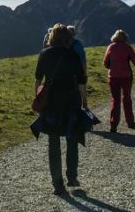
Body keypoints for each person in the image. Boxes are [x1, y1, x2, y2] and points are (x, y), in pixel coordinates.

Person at [31, 24, 88, 195]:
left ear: (51, 37)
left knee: (53, 142)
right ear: (68, 38)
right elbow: (81, 83)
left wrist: (38, 98)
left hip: (51, 103)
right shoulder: (73, 55)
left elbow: (38, 80)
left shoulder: (45, 54)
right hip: (71, 100)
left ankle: (57, 184)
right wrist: (84, 101)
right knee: (72, 137)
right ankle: (72, 176)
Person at [103, 29, 135, 132]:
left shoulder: (110, 47)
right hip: (126, 77)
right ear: (125, 38)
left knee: (115, 99)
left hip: (113, 77)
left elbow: (105, 63)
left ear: (114, 37)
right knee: (127, 98)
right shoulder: (128, 47)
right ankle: (130, 122)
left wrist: (112, 66)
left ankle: (113, 124)